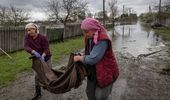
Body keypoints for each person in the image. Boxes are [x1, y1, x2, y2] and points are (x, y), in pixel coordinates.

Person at [74, 18, 119, 100]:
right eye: (83, 31)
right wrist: (83, 53)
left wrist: (79, 58)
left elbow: (92, 59)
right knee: (89, 93)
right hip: (94, 71)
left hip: (105, 72)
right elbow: (90, 50)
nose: (85, 34)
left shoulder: (102, 39)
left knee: (100, 96)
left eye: (86, 31)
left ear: (93, 29)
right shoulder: (90, 36)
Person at [24, 23, 52, 100]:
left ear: (35, 29)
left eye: (30, 30)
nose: (29, 32)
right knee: (37, 75)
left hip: (46, 57)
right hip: (36, 58)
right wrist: (33, 52)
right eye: (27, 30)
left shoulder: (43, 38)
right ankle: (38, 93)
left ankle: (51, 85)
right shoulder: (27, 37)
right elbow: (26, 46)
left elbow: (46, 48)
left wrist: (43, 56)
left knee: (48, 72)